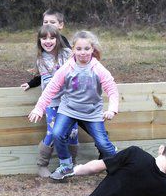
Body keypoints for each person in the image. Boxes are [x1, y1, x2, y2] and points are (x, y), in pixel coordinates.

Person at [28, 30, 119, 181]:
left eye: (86, 49)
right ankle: (66, 165)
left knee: (103, 143)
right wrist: (39, 108)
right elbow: (51, 88)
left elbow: (112, 89)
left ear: (92, 49)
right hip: (69, 109)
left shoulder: (98, 68)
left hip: (92, 111)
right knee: (57, 133)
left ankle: (120, 165)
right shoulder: (67, 68)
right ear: (73, 49)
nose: (83, 53)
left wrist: (112, 109)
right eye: (78, 49)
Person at [25, 24, 79, 177]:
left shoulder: (68, 53)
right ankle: (42, 164)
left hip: (71, 101)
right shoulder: (41, 59)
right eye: (44, 38)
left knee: (73, 132)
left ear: (58, 39)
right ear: (39, 40)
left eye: (52, 38)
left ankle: (72, 164)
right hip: (52, 102)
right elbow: (49, 83)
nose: (48, 41)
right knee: (52, 132)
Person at [20, 9, 71, 92]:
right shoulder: (43, 49)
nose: (48, 25)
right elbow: (44, 69)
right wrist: (32, 83)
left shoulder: (64, 44)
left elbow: (73, 60)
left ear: (60, 25)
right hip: (51, 92)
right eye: (45, 22)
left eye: (52, 22)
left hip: (67, 89)